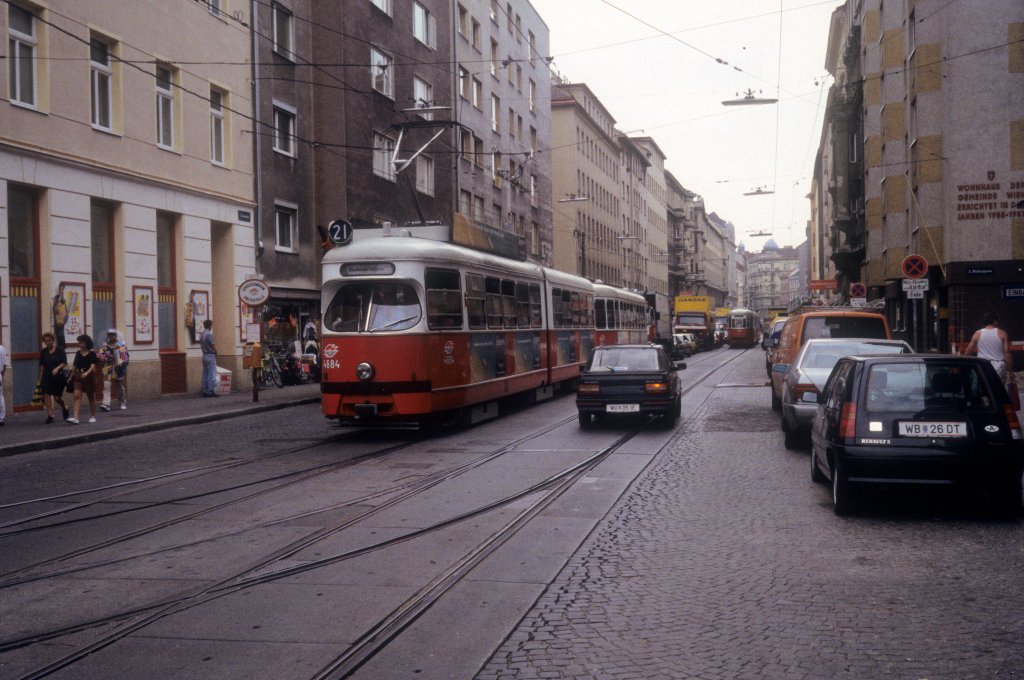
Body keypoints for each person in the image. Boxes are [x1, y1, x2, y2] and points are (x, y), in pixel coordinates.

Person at [966, 312, 1015, 384]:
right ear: (994, 321)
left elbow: (968, 352)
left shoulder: (977, 334)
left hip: (982, 366)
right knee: (998, 390)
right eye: (997, 321)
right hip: (999, 367)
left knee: (982, 389)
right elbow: (1007, 355)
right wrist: (1011, 372)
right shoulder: (1002, 333)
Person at [38, 332, 69, 424]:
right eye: (46, 341)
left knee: (57, 398)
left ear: (53, 340)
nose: (47, 343)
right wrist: (41, 375)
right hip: (47, 376)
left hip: (58, 377)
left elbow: (64, 362)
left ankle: (65, 407)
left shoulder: (60, 350)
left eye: (49, 341)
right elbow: (42, 365)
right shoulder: (43, 352)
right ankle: (50, 415)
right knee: (47, 395)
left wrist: (57, 368)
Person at [68, 334, 99, 424]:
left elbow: (92, 366)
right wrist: (70, 376)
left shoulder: (92, 354)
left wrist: (86, 373)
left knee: (91, 397)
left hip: (89, 376)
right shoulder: (78, 353)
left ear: (86, 343)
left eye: (81, 342)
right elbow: (75, 365)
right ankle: (76, 418)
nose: (79, 344)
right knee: (76, 396)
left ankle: (93, 416)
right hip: (78, 375)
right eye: (79, 343)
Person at [97, 328, 129, 411]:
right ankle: (106, 404)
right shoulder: (104, 345)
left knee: (120, 387)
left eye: (112, 334)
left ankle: (122, 403)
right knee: (106, 386)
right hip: (107, 369)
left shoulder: (121, 345)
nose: (111, 336)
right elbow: (100, 356)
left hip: (118, 369)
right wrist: (107, 357)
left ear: (115, 335)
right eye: (109, 334)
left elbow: (125, 357)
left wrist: (120, 359)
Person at [200, 319, 218, 397]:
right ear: (210, 326)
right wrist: (216, 352)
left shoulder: (201, 334)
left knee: (205, 373)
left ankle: (205, 390)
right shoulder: (209, 334)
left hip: (204, 355)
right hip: (210, 355)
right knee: (211, 374)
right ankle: (210, 391)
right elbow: (212, 345)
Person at [0, 341, 9, 426]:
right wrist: (2, 376)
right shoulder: (2, 349)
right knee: (0, 397)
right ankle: (1, 418)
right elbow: (4, 365)